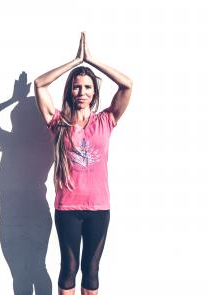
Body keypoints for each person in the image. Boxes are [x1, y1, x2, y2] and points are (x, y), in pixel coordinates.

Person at [34, 32, 132, 295]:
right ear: (70, 90)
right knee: (68, 267)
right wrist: (74, 61)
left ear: (94, 91)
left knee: (91, 269)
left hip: (99, 208)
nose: (82, 92)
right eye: (77, 86)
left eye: (88, 87)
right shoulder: (59, 123)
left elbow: (127, 86)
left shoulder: (106, 120)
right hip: (67, 207)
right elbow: (40, 84)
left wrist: (92, 60)